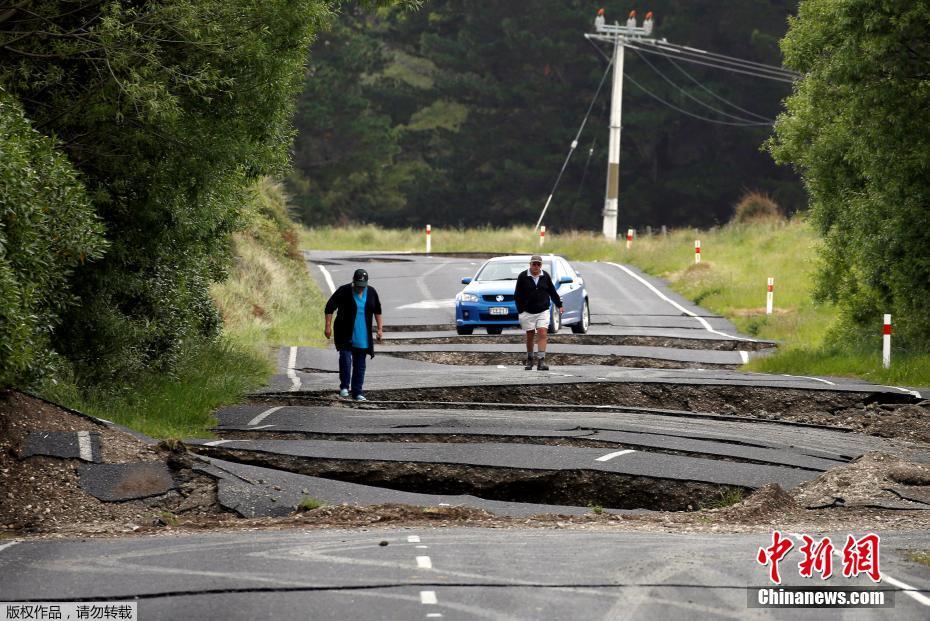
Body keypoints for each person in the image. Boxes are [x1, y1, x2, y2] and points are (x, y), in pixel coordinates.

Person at [324, 268, 383, 401]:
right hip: (344, 332)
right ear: (353, 282)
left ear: (366, 284)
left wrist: (380, 329)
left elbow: (377, 311)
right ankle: (344, 387)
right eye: (358, 286)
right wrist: (327, 326)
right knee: (345, 358)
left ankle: (357, 392)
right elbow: (329, 307)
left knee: (360, 364)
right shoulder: (344, 290)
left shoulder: (372, 292)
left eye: (363, 286)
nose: (360, 289)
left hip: (362, 334)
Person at [514, 255, 563, 371]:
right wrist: (520, 310)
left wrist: (559, 305)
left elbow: (552, 291)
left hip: (543, 310)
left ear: (541, 265)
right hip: (527, 311)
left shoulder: (545, 276)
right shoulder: (522, 276)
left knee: (542, 332)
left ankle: (541, 361)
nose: (536, 266)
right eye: (534, 264)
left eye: (538, 264)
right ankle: (530, 359)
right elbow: (517, 295)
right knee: (530, 335)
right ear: (530, 264)